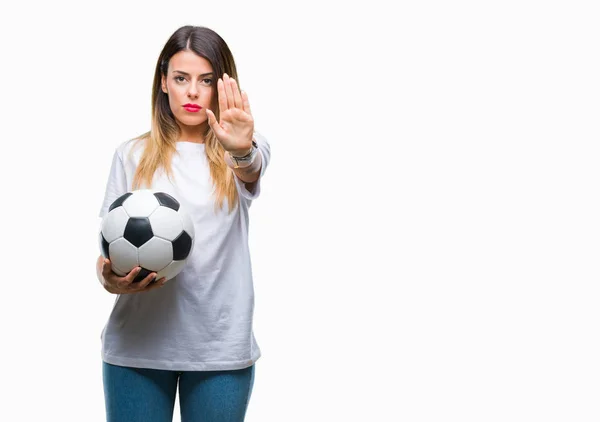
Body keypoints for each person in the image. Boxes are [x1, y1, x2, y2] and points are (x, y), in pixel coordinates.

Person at [95, 25, 270, 422]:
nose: (192, 92)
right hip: (136, 349)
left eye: (206, 80)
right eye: (181, 78)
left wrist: (240, 149)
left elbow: (250, 170)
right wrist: (110, 280)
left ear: (221, 86)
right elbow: (108, 250)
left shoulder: (242, 149)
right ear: (163, 83)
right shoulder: (130, 154)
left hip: (219, 352)